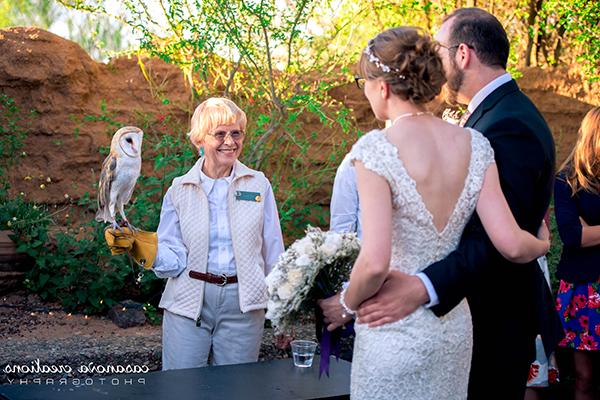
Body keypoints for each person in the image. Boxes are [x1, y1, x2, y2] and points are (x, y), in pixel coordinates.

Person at [352, 8, 563, 399]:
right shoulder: (485, 126)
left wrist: (421, 286)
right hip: (459, 322)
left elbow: (490, 244)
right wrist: (539, 242)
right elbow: (511, 237)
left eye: (442, 50)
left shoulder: (508, 124)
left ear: (463, 54)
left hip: (491, 319)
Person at [152, 97, 284, 369]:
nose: (230, 141)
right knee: (181, 390)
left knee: (236, 392)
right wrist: (146, 252)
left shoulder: (258, 184)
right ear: (199, 140)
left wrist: (283, 311)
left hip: (244, 306)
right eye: (220, 134)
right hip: (188, 304)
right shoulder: (179, 190)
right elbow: (172, 259)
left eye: (236, 133)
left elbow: (274, 252)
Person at [554, 107, 600, 400]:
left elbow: (584, 234)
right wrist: (583, 234)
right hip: (583, 287)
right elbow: (573, 237)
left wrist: (590, 231)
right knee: (584, 378)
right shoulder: (567, 181)